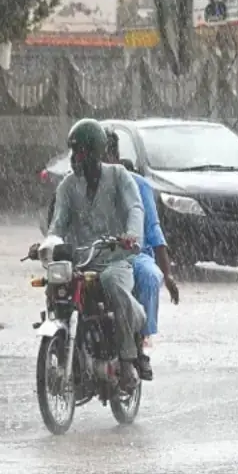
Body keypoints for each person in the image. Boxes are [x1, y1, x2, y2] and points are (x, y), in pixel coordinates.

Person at [48, 118, 146, 391]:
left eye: (79, 153)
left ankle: (127, 360)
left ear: (94, 153)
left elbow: (135, 208)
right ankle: (61, 343)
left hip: (115, 259)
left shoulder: (119, 177)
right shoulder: (67, 186)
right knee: (54, 285)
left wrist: (131, 237)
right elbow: (57, 223)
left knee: (113, 284)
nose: (74, 159)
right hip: (79, 261)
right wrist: (48, 243)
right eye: (73, 153)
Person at [102, 128, 180, 381]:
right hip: (94, 256)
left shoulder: (137, 185)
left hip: (133, 255)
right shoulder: (79, 184)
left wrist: (167, 276)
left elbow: (153, 231)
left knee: (148, 277)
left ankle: (139, 348)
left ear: (113, 156)